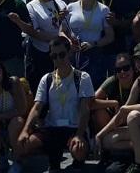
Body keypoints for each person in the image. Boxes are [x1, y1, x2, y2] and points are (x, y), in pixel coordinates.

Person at [18, 37, 95, 173]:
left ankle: (77, 162)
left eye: (62, 55)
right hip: (52, 128)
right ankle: (51, 161)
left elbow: (85, 109)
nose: (58, 59)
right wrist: (25, 130)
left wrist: (79, 134)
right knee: (26, 144)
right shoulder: (46, 79)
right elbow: (37, 108)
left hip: (74, 127)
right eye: (54, 56)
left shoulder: (82, 77)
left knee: (78, 150)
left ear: (69, 53)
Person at [95, 43, 140, 164]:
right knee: (107, 141)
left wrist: (123, 108)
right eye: (137, 59)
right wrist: (100, 134)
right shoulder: (139, 80)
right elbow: (121, 114)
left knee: (133, 115)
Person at [11, 0, 68, 87]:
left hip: (60, 55)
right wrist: (59, 39)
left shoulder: (61, 4)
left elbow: (67, 27)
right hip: (41, 56)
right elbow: (35, 32)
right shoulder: (31, 6)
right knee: (42, 88)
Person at [66, 0, 116, 87]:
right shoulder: (70, 7)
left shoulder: (103, 9)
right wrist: (69, 42)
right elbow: (62, 31)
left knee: (93, 87)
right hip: (74, 54)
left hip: (95, 55)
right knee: (74, 87)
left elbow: (110, 37)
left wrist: (93, 44)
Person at [91, 52, 137, 137]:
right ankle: (105, 137)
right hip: (114, 122)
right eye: (118, 70)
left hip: (132, 120)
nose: (122, 72)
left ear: (133, 68)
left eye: (126, 68)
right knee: (99, 112)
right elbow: (90, 103)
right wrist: (114, 103)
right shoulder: (112, 81)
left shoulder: (139, 81)